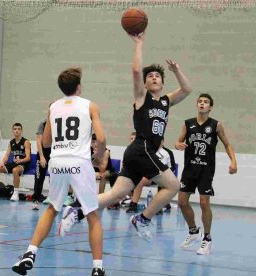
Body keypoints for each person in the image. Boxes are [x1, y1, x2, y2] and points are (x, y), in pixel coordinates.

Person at [61, 32, 193, 240]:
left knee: (116, 194)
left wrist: (176, 70)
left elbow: (187, 89)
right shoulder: (142, 98)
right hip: (142, 148)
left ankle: (77, 210)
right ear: (146, 84)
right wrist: (139, 44)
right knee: (174, 185)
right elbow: (134, 71)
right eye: (149, 77)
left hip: (139, 153)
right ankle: (143, 219)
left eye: (157, 76)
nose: (154, 78)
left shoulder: (166, 101)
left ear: (162, 82)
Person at [12, 67, 107, 276]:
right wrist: (99, 157)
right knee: (92, 214)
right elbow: (100, 138)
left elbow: (46, 141)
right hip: (79, 162)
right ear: (79, 87)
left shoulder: (53, 107)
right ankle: (98, 268)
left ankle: (30, 252)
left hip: (57, 161)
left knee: (52, 209)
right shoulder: (90, 105)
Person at [176, 93, 237, 255]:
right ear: (197, 105)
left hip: (206, 169)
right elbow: (178, 141)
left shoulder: (216, 125)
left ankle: (207, 239)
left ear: (210, 107)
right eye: (200, 101)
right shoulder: (187, 124)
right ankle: (193, 231)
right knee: (182, 202)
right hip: (189, 169)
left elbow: (227, 144)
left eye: (206, 102)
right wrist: (178, 145)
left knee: (204, 202)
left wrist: (233, 161)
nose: (202, 104)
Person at [0, 123, 31, 201]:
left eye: (18, 129)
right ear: (12, 131)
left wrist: (20, 160)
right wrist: (2, 162)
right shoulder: (11, 142)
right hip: (15, 163)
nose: (17, 131)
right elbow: (7, 156)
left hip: (23, 163)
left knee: (15, 170)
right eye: (15, 129)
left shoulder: (26, 142)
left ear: (21, 131)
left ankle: (15, 194)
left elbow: (28, 158)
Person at [32, 118, 51, 210]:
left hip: (55, 154)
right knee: (39, 178)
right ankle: (36, 200)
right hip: (43, 153)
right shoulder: (43, 123)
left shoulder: (60, 121)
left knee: (55, 178)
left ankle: (54, 200)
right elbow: (39, 141)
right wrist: (42, 156)